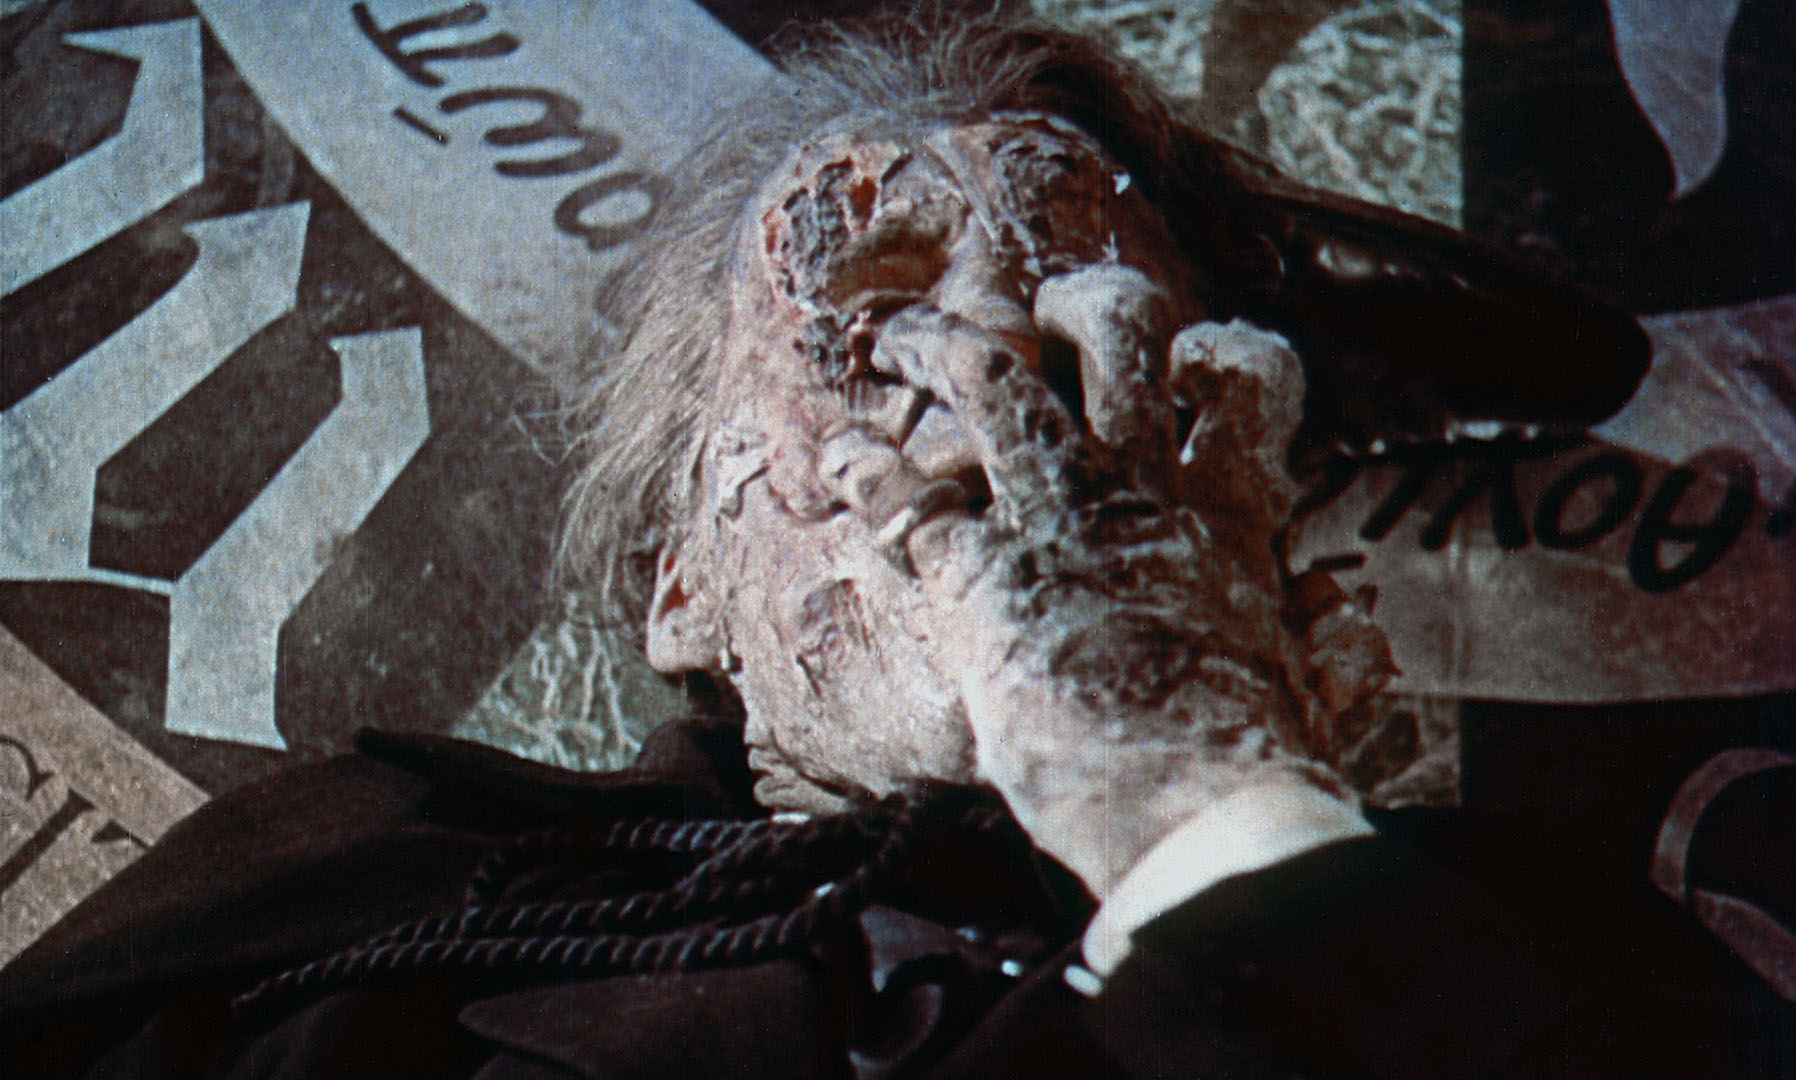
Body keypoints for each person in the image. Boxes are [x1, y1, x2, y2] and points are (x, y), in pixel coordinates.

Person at [0, 11, 1763, 1079]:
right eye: (876, 306)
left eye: (1100, 311)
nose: (999, 350)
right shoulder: (350, 908)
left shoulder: (1538, 954)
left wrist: (1198, 804)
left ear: (1240, 500)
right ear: (682, 582)